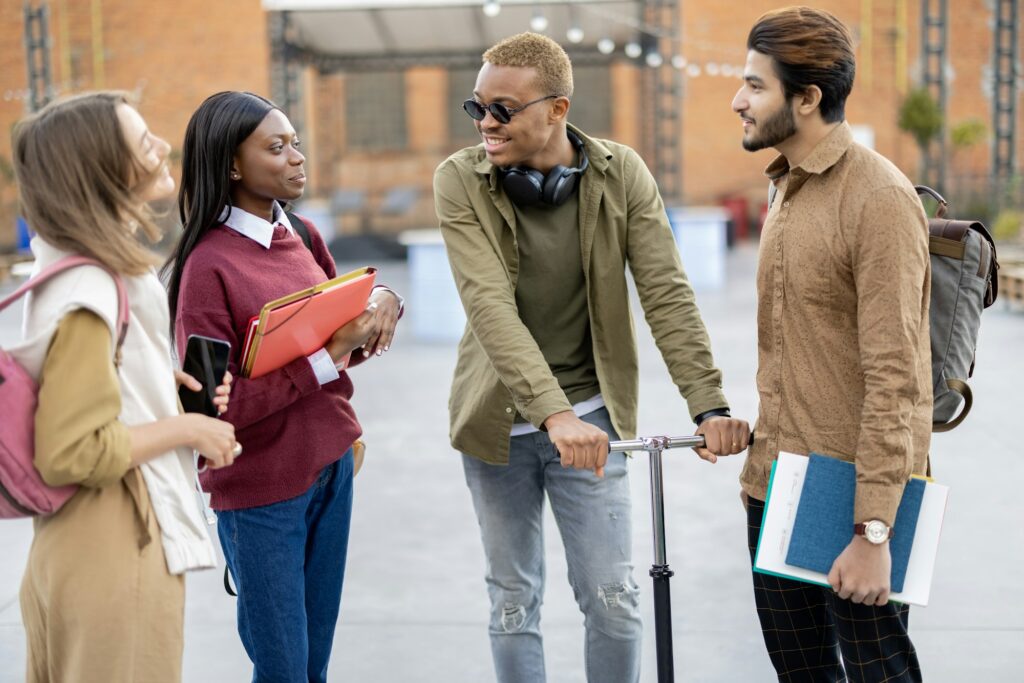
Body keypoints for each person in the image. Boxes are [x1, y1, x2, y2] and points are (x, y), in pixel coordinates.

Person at [433, 32, 750, 683]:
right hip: (497, 424)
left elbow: (666, 291)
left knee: (613, 600)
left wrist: (709, 402)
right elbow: (489, 305)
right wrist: (552, 414)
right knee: (513, 600)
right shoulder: (460, 179)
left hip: (592, 422)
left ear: (557, 108)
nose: (486, 124)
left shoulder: (620, 173)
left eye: (504, 109)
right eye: (477, 108)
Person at [164, 91, 403, 683]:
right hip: (260, 496)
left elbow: (345, 347)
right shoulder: (206, 269)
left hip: (332, 470)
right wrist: (328, 356)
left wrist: (384, 306)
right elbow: (209, 411)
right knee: (285, 671)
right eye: (277, 147)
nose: (298, 157)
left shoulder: (302, 233)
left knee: (313, 663)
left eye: (295, 142)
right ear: (232, 165)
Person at [732, 7, 931, 682]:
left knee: (880, 673)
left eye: (755, 86)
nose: (739, 100)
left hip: (851, 496)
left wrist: (873, 530)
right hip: (773, 485)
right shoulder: (785, 187)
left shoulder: (878, 198)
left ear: (807, 98)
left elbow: (896, 376)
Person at [10, 91, 238, 683]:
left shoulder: (70, 269)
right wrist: (190, 427)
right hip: (116, 545)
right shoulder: (90, 287)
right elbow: (72, 450)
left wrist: (159, 386)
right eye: (143, 143)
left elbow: (82, 383)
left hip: (83, 545)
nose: (164, 146)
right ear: (103, 174)